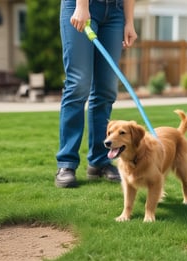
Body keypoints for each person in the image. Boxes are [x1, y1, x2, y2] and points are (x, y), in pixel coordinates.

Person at [55, 0, 137, 188]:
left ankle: (99, 162)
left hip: (115, 12)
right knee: (78, 85)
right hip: (83, 5)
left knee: (106, 90)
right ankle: (66, 164)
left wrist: (129, 20)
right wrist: (82, 6)